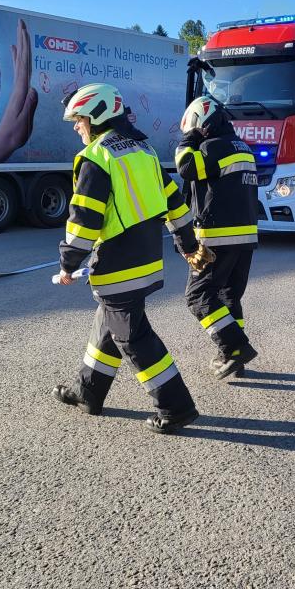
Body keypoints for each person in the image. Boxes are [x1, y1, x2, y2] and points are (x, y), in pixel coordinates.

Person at [52, 83, 201, 435]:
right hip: (146, 258)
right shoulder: (144, 150)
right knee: (110, 324)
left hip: (118, 264)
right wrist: (187, 243)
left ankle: (176, 407)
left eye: (79, 120)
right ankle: (88, 392)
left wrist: (68, 263)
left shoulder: (96, 157)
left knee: (133, 337)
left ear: (97, 116)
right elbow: (175, 203)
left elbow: (84, 218)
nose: (77, 127)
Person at [175, 95, 260, 380]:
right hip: (245, 237)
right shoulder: (242, 146)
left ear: (201, 122)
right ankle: (233, 358)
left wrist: (188, 139)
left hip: (217, 237)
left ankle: (236, 348)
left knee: (198, 296)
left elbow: (186, 167)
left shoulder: (213, 147)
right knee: (229, 296)